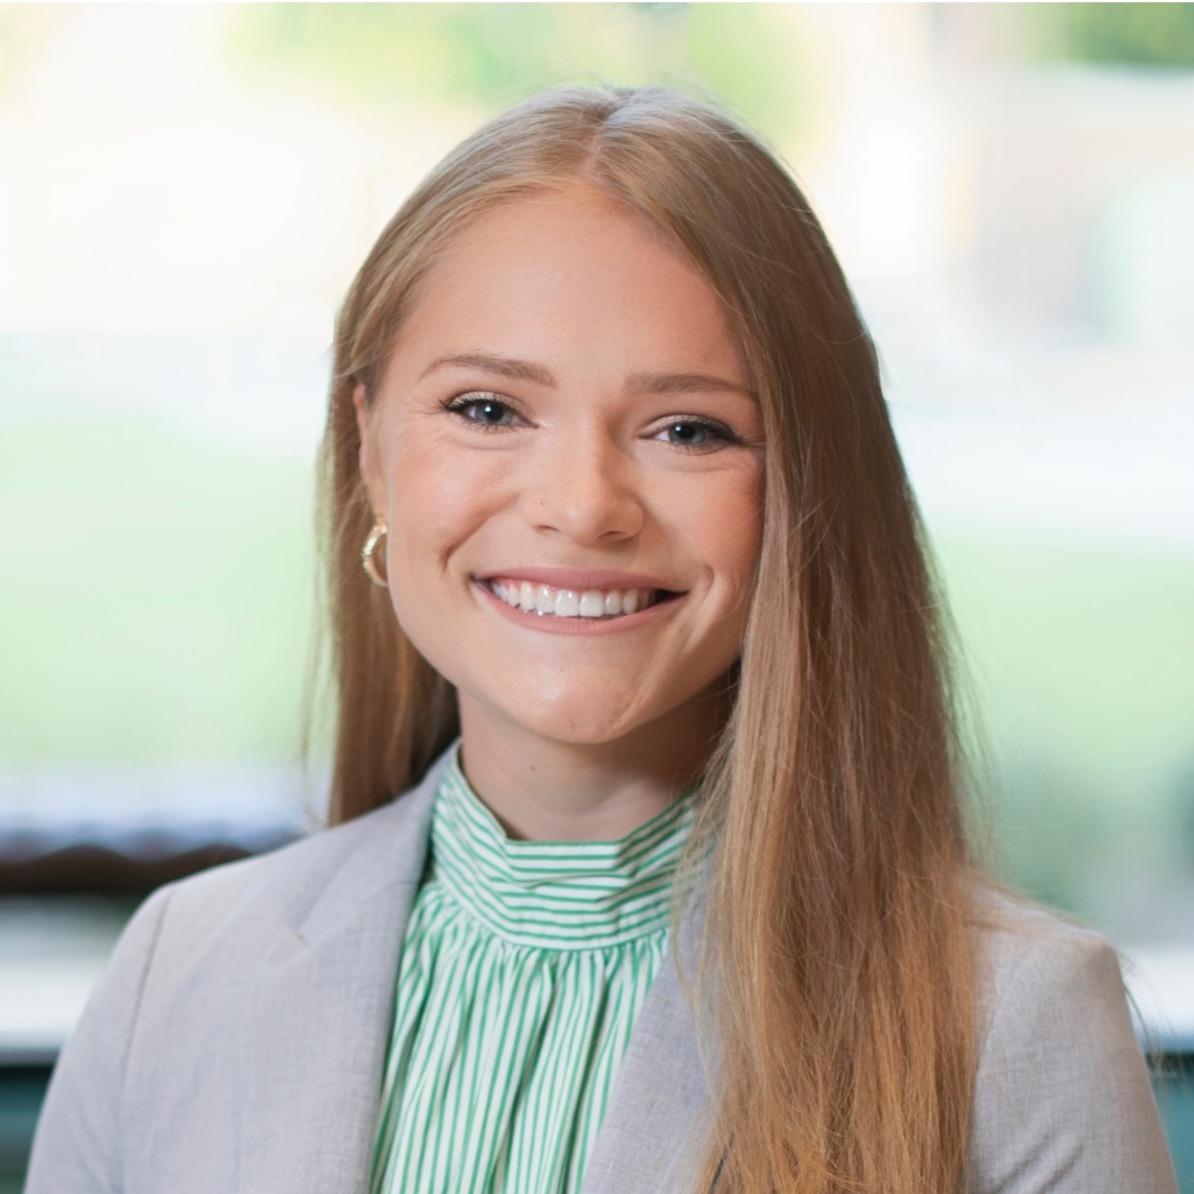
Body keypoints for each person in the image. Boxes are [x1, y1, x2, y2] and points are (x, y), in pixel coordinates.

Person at [25, 86, 1176, 1194]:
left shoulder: (1014, 1028)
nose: (582, 506)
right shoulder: (176, 976)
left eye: (689, 429)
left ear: (809, 488)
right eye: (487, 410)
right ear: (371, 447)